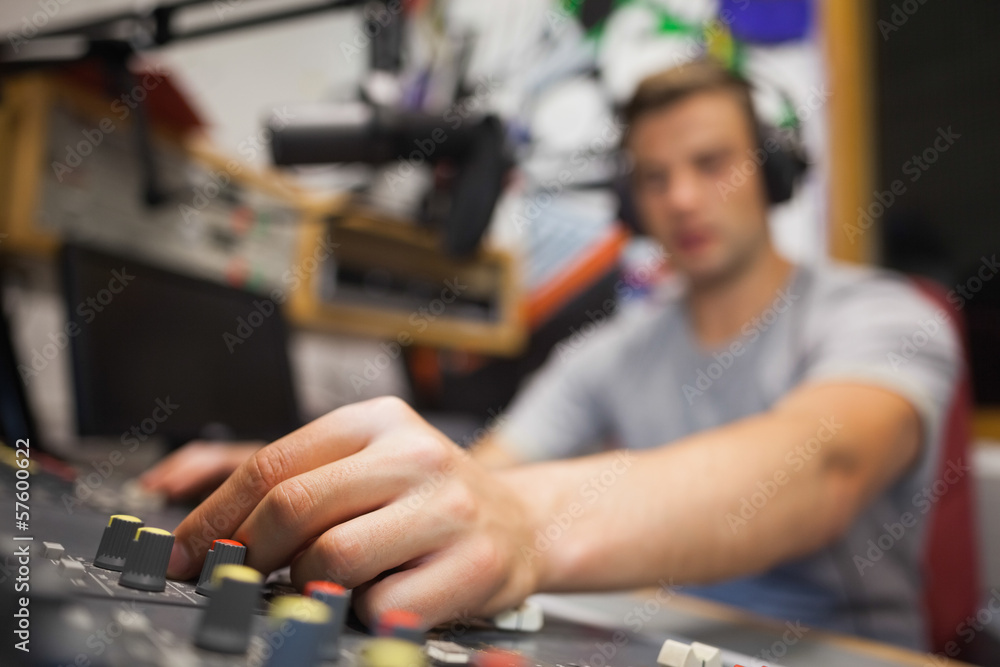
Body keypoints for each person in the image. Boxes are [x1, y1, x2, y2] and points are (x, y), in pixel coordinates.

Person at [143, 59, 959, 650]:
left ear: (774, 172)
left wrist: (524, 526)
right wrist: (318, 478)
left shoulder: (885, 315)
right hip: (656, 635)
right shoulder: (608, 352)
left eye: (710, 164)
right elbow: (486, 473)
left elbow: (822, 467)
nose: (679, 198)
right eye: (653, 176)